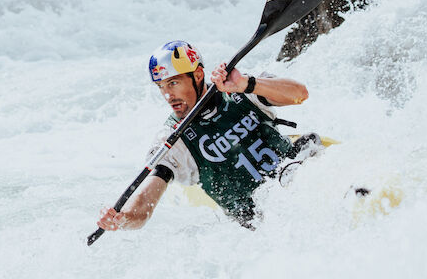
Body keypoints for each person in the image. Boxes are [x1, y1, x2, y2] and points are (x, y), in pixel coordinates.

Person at [96, 40, 320, 231]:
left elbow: (301, 94)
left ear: (198, 75)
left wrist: (246, 84)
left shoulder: (238, 91)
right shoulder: (174, 141)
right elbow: (145, 202)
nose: (167, 94)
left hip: (296, 175)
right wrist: (123, 218)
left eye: (173, 83)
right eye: (161, 86)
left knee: (311, 142)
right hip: (264, 218)